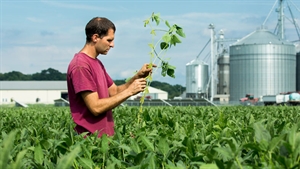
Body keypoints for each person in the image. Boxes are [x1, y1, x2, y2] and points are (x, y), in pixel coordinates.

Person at [67, 17, 154, 137]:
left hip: (104, 138)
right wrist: (129, 91)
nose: (112, 45)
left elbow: (114, 91)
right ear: (95, 37)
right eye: (109, 40)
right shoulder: (80, 66)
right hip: (90, 141)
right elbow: (95, 107)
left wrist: (137, 76)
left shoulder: (96, 62)